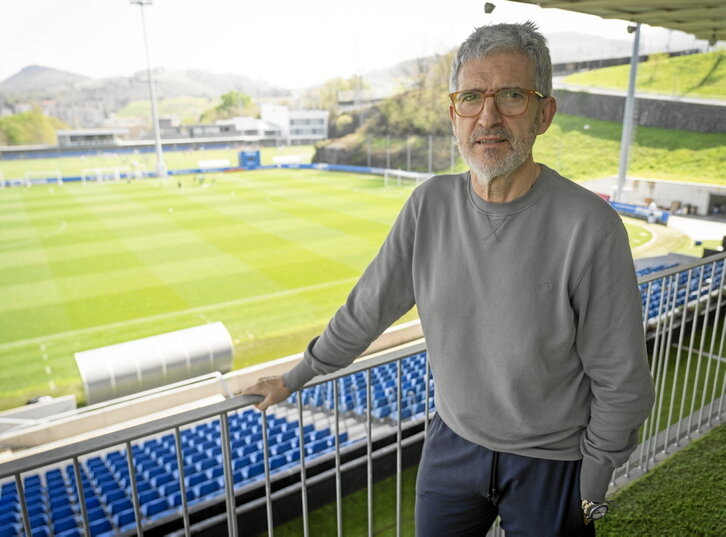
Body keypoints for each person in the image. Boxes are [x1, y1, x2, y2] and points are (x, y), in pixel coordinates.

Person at [244, 22, 655, 536]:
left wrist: (591, 484)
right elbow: (366, 309)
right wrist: (293, 377)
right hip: (452, 447)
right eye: (470, 98)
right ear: (453, 114)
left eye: (511, 96)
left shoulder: (589, 226)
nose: (488, 117)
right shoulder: (428, 206)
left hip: (555, 463)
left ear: (543, 114)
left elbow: (623, 380)